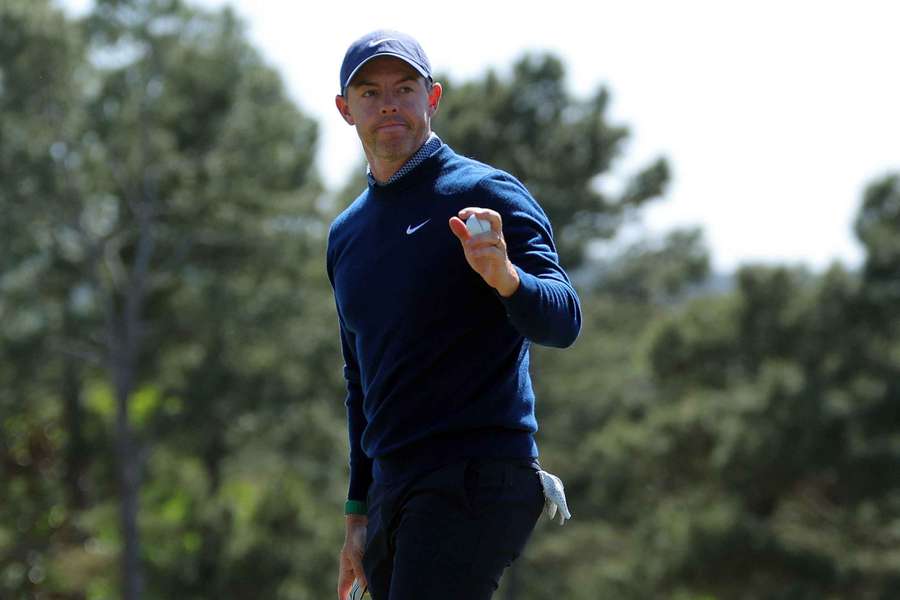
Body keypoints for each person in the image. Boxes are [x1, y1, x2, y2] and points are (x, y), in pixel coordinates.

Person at [328, 30, 582, 600]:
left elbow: (564, 320)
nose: (388, 103)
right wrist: (356, 514)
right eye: (369, 92)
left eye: (405, 87)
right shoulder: (346, 234)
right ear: (346, 111)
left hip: (478, 475)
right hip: (396, 489)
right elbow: (359, 384)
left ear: (433, 98)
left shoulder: (487, 191)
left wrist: (506, 279)